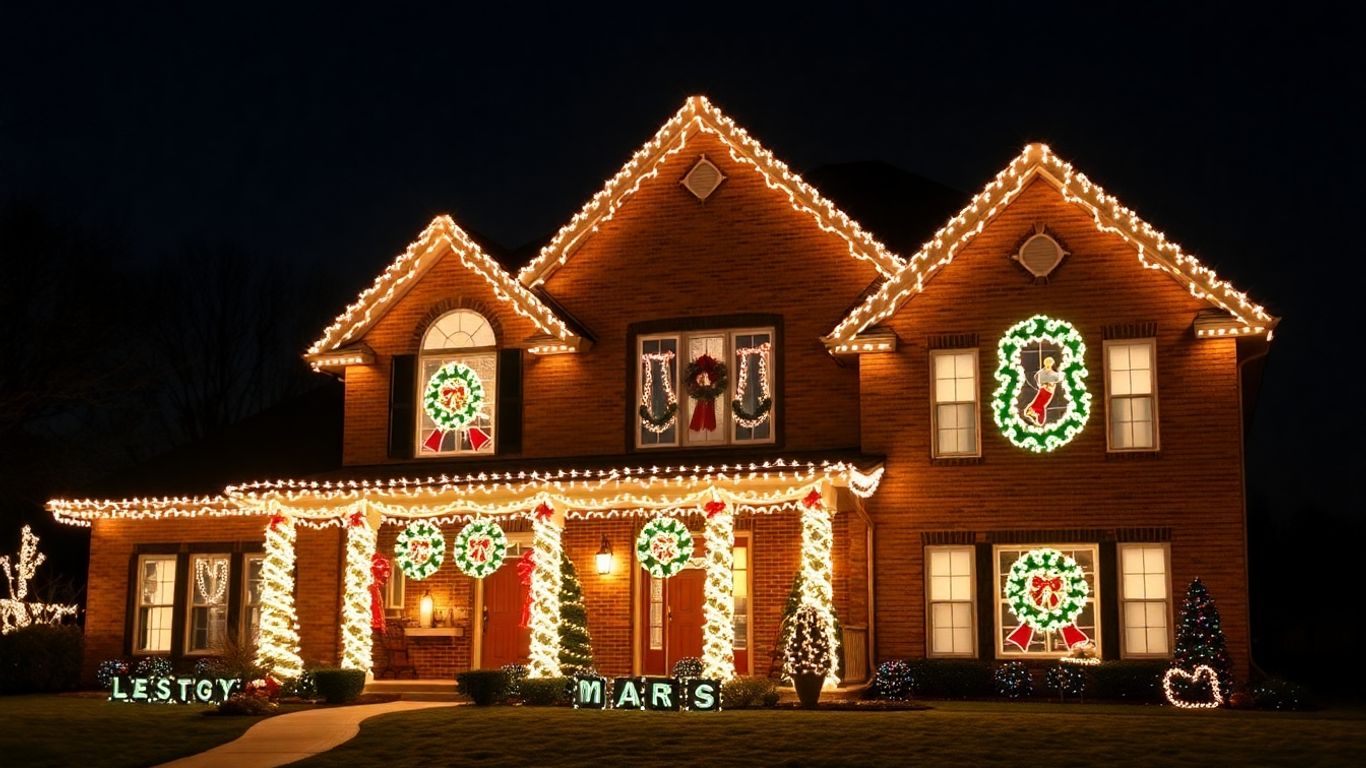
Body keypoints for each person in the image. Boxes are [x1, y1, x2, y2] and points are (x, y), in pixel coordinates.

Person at [1023, 355, 1063, 426]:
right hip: (1044, 390)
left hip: (1047, 391)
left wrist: (1048, 384)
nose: (1048, 365)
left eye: (1049, 363)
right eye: (1047, 363)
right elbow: (1036, 379)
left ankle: (1033, 413)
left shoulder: (1053, 374)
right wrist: (1041, 385)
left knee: (1040, 404)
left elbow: (1058, 379)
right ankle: (1034, 414)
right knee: (1039, 404)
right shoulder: (1041, 372)